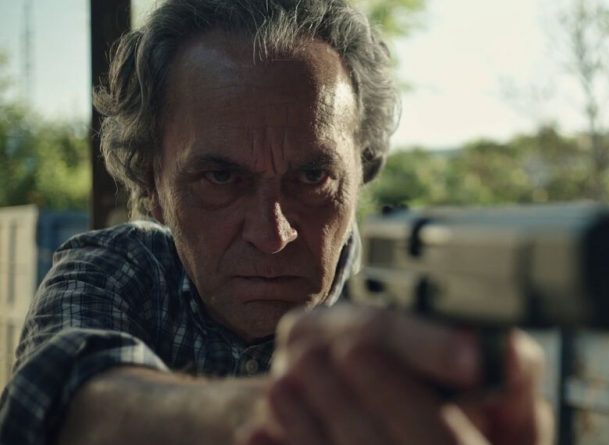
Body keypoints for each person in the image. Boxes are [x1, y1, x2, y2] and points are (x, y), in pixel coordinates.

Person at [0, 1, 552, 444]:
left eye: (312, 177)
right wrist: (287, 415)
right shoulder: (115, 270)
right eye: (221, 178)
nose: (272, 235)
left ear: (362, 169)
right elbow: (66, 400)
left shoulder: (418, 302)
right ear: (152, 187)